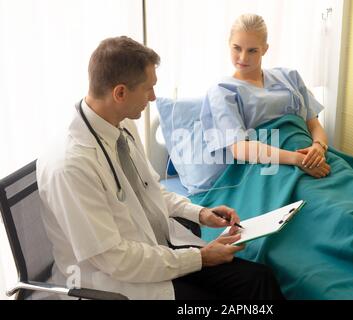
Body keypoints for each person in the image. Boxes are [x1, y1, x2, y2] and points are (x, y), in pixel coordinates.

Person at [37, 36, 285, 300]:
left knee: (259, 279)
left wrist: (200, 213)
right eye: (148, 89)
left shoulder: (120, 125)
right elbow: (115, 260)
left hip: (156, 253)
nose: (153, 97)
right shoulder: (71, 166)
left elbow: (152, 190)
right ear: (120, 93)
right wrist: (200, 257)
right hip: (112, 282)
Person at [201, 14, 331, 178]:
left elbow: (314, 125)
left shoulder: (290, 77)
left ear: (265, 49)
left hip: (313, 158)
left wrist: (319, 147)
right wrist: (296, 159)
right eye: (237, 48)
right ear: (229, 44)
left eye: (252, 50)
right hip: (267, 168)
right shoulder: (223, 91)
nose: (243, 57)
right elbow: (239, 149)